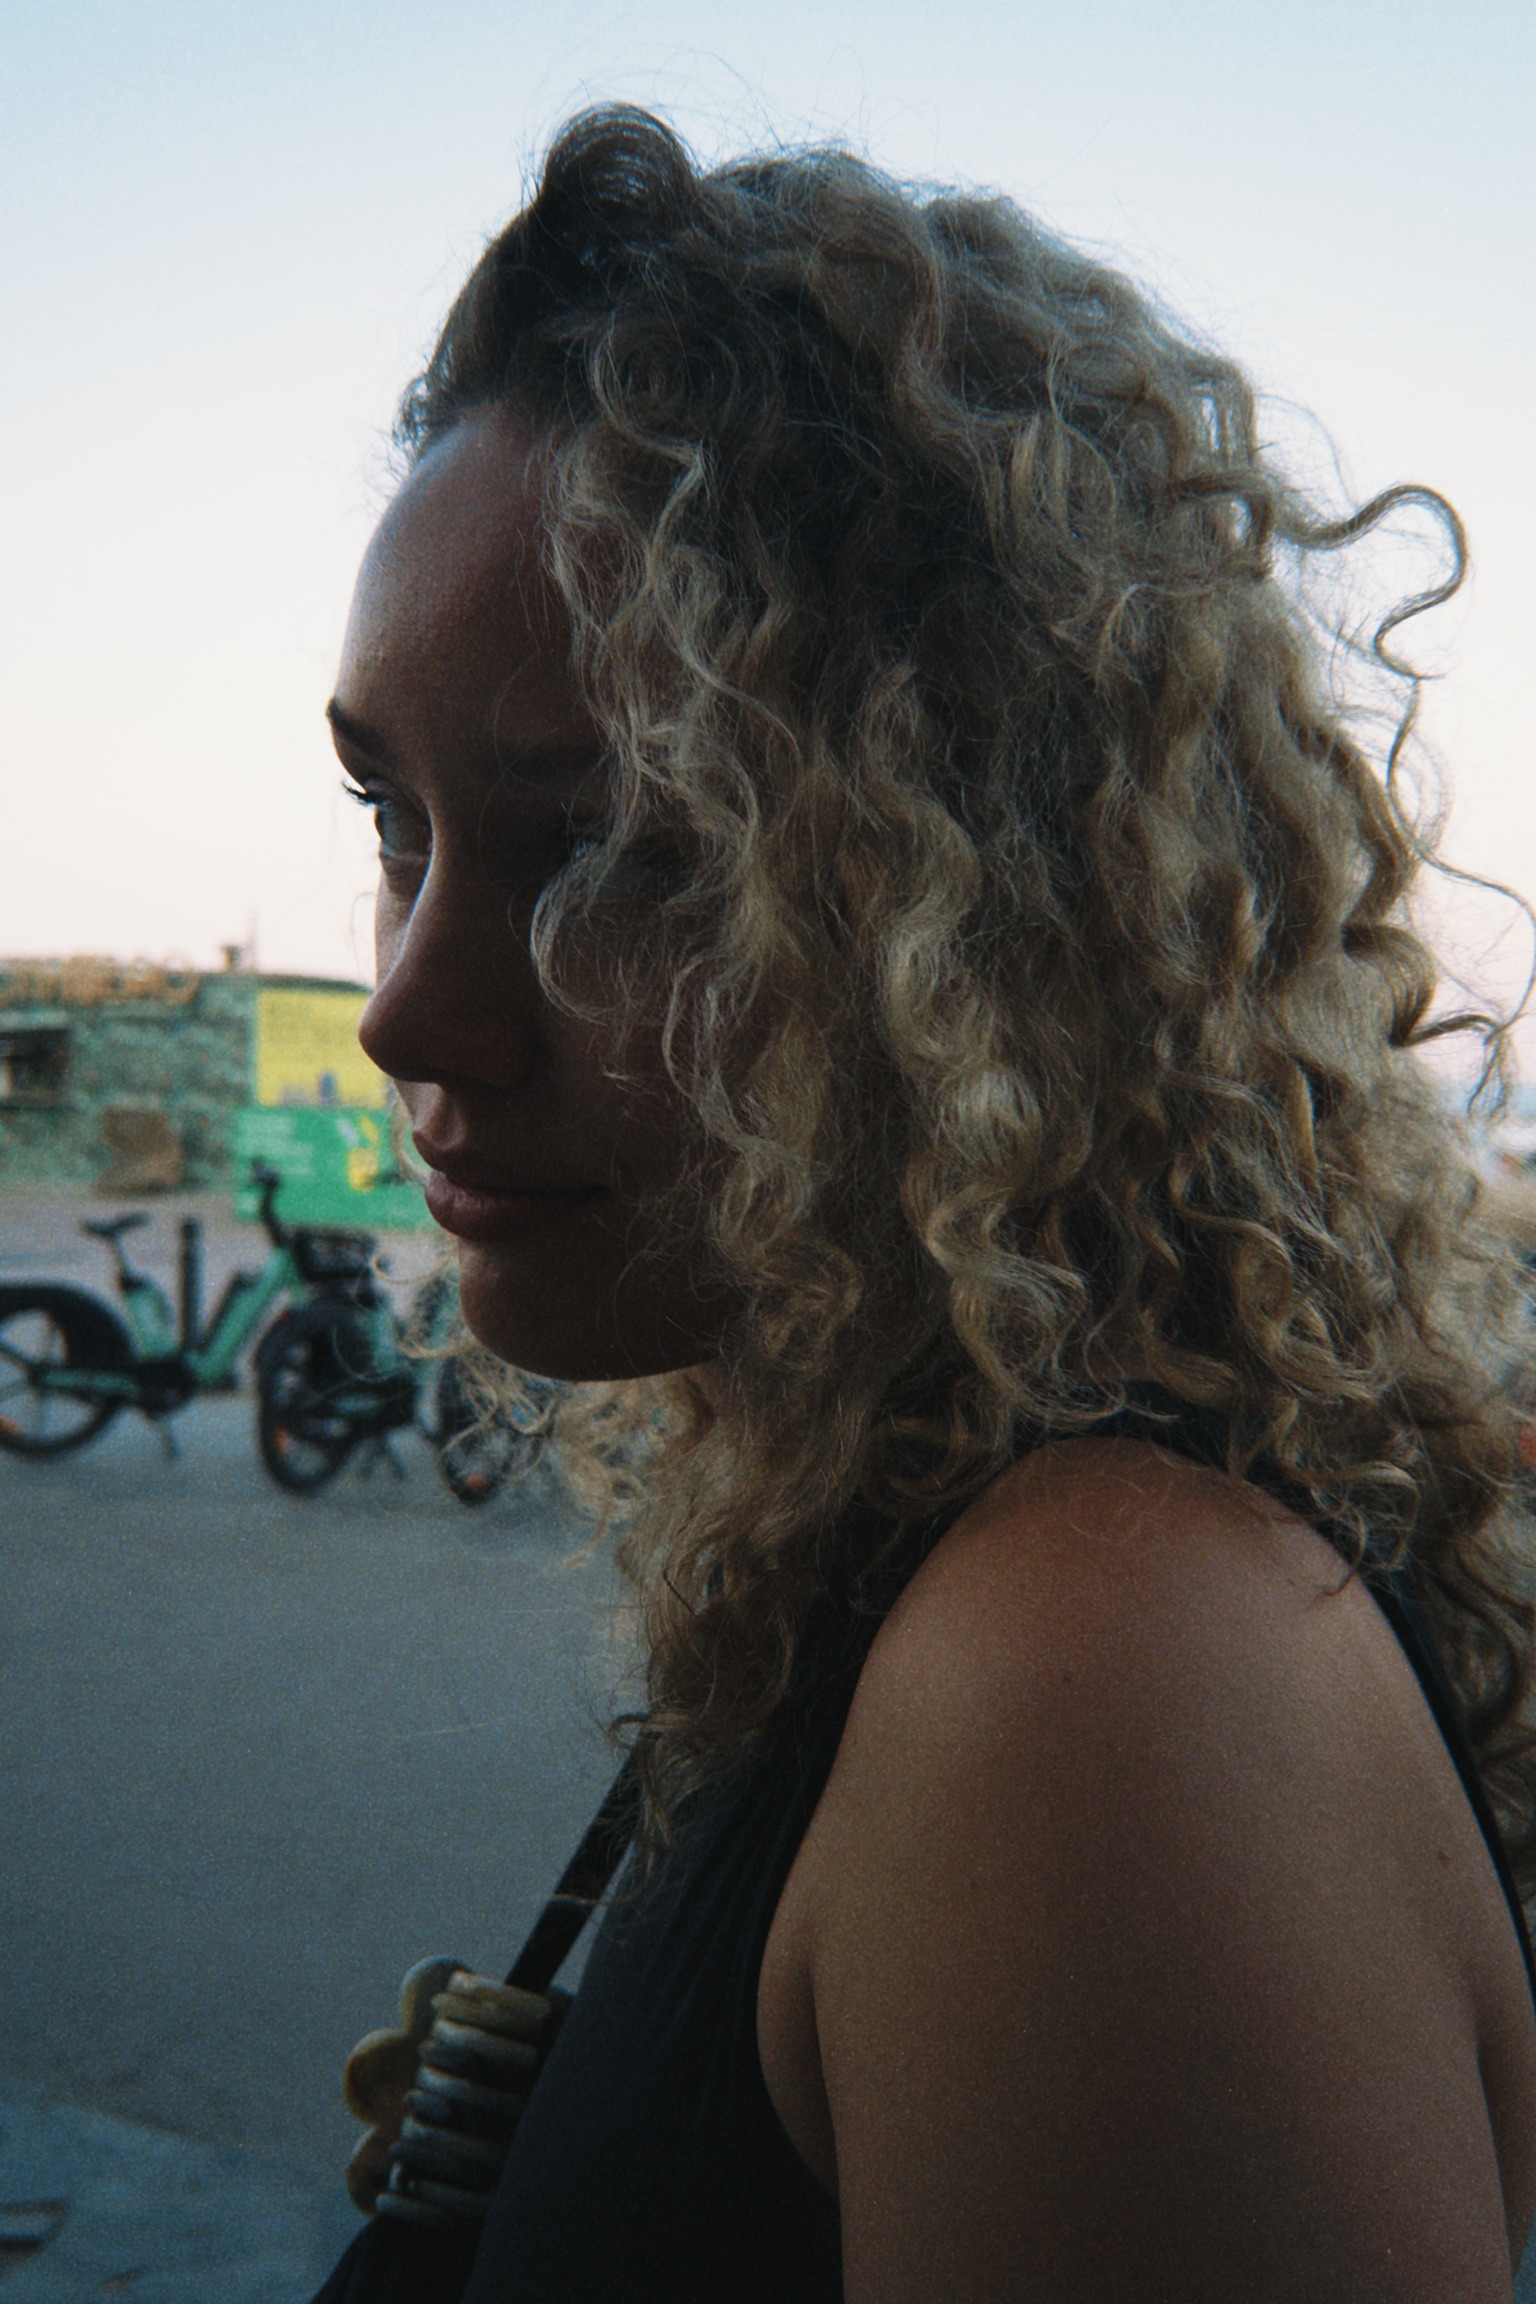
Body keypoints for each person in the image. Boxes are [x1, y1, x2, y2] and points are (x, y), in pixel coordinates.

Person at [313, 105, 1536, 2302]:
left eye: (618, 846)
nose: (410, 1013)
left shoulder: (1105, 1672)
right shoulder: (906, 1532)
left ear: (1000, 914)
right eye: (391, 815)